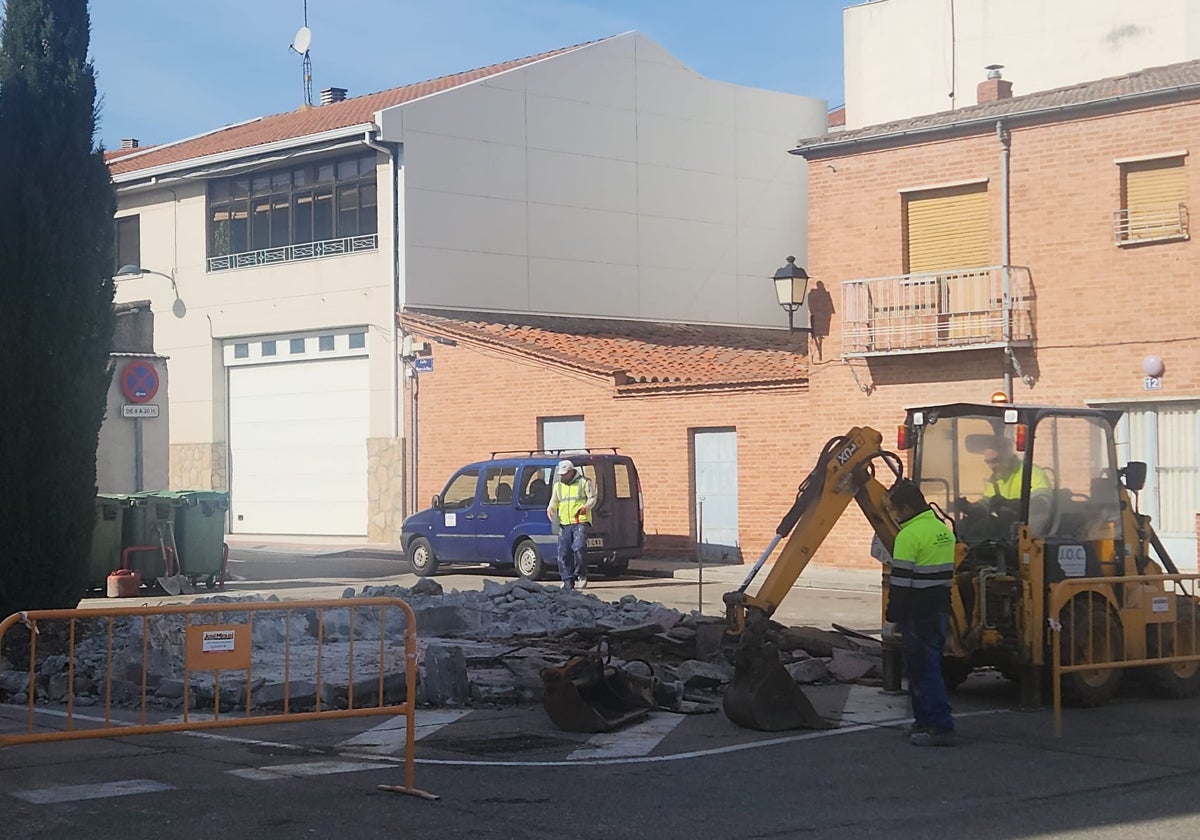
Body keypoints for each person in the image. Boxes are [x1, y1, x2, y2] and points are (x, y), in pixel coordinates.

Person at [883, 479, 957, 747]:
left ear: (905, 507)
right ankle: (923, 721)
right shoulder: (943, 531)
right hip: (938, 610)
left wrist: (892, 619)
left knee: (923, 672)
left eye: (894, 509)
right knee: (926, 668)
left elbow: (901, 584)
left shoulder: (908, 536)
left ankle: (940, 726)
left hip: (916, 614)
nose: (893, 515)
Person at [546, 459, 597, 590]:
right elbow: (554, 500)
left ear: (571, 471)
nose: (562, 476)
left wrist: (586, 506)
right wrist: (550, 508)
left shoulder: (584, 482)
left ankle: (581, 575)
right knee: (563, 553)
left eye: (564, 474)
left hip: (580, 521)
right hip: (564, 522)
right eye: (561, 474)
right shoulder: (558, 485)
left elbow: (592, 497)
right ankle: (567, 580)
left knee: (579, 548)